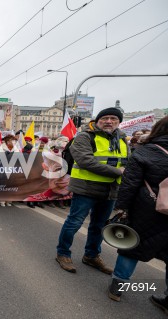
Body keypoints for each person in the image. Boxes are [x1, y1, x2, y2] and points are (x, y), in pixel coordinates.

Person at [56, 107, 129, 274]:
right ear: (98, 121)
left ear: (119, 122)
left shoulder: (123, 139)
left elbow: (127, 162)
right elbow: (85, 161)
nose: (109, 121)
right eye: (105, 118)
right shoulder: (85, 136)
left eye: (113, 119)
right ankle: (63, 253)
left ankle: (91, 255)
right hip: (86, 188)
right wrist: (118, 172)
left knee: (99, 226)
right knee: (74, 223)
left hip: (110, 191)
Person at [106, 116, 168, 312]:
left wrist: (122, 208)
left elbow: (130, 183)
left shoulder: (146, 151)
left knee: (131, 245)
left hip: (146, 209)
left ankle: (118, 287)